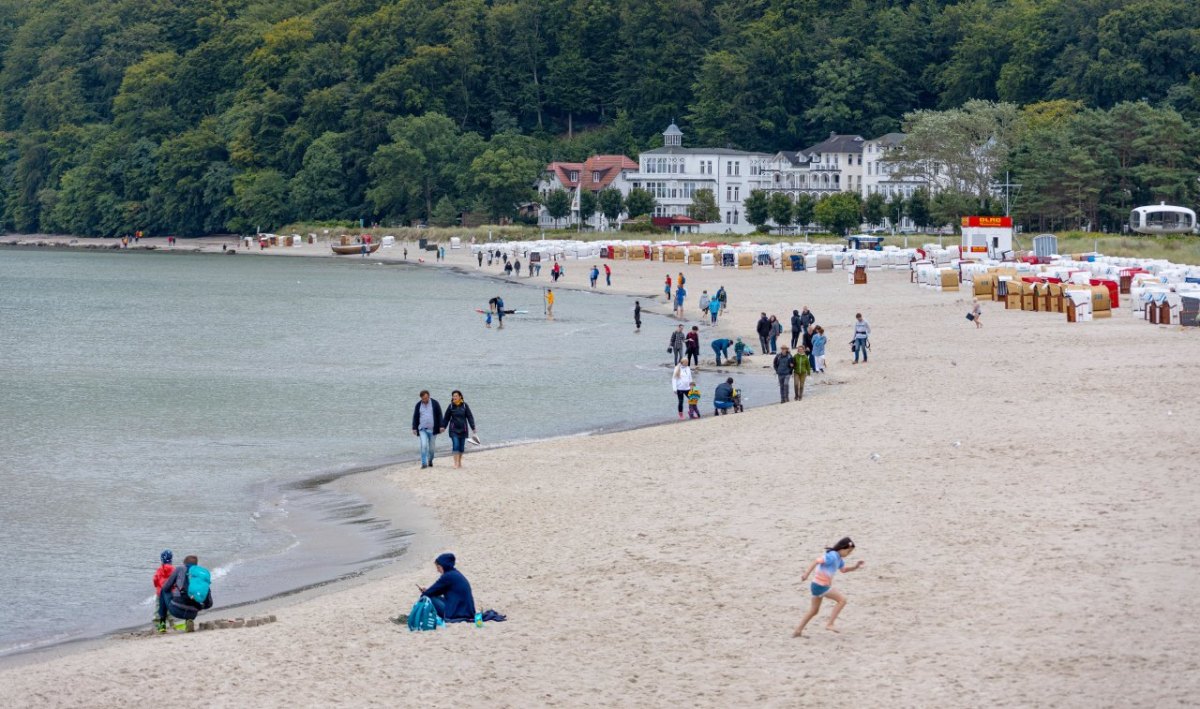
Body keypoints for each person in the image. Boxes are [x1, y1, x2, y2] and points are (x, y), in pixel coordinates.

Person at [792, 537, 865, 638]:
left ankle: (797, 631)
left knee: (814, 611)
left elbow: (844, 570)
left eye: (850, 552)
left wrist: (856, 566)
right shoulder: (832, 556)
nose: (849, 554)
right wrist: (806, 574)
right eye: (848, 551)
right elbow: (816, 561)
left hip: (817, 586)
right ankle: (830, 624)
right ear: (842, 548)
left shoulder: (839, 559)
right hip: (820, 586)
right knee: (842, 600)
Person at [158, 555, 213, 633]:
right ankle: (188, 621)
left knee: (163, 590)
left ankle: (162, 624)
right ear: (196, 565)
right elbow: (209, 603)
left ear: (184, 563)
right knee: (191, 597)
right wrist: (198, 607)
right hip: (192, 613)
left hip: (176, 610)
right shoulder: (201, 576)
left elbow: (166, 587)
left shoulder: (180, 569)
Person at [417, 553, 476, 622]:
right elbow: (436, 591)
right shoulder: (454, 573)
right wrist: (427, 591)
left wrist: (425, 593)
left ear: (444, 566)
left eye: (438, 567)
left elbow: (428, 593)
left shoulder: (447, 576)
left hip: (457, 614)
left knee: (426, 598)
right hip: (467, 612)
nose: (437, 570)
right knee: (432, 595)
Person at [441, 390, 476, 469]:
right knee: (455, 445)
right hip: (453, 429)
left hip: (463, 429)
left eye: (456, 396)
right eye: (453, 396)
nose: (454, 397)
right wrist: (443, 426)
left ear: (460, 397)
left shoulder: (464, 406)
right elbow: (446, 418)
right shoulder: (450, 406)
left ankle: (459, 461)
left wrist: (473, 427)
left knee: (461, 447)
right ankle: (456, 463)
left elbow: (470, 416)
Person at [411, 390, 443, 468]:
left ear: (429, 396)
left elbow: (440, 415)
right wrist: (414, 428)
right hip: (422, 429)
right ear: (421, 398)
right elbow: (415, 417)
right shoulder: (418, 405)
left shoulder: (435, 403)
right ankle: (424, 463)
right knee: (424, 445)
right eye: (423, 398)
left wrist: (441, 426)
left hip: (433, 430)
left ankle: (430, 460)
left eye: (426, 398)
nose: (425, 400)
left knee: (432, 449)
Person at [152, 550, 175, 632]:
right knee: (170, 608)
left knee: (159, 608)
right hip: (170, 593)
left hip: (160, 593)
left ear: (161, 560)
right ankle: (173, 624)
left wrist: (157, 586)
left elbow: (155, 580)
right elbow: (176, 580)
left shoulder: (159, 570)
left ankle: (160, 625)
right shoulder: (174, 569)